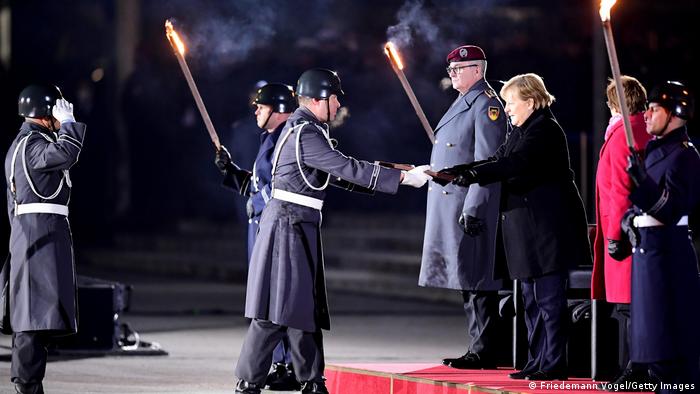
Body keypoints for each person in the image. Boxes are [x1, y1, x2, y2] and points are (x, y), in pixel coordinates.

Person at [233, 68, 431, 394]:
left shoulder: (305, 130)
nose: (338, 105)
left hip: (297, 225)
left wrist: (399, 170)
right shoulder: (305, 133)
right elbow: (345, 167)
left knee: (300, 309)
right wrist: (401, 180)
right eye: (334, 98)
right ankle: (249, 381)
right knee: (274, 311)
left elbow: (338, 171)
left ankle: (312, 381)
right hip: (288, 227)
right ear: (316, 99)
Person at [440, 73, 591, 381]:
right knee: (531, 301)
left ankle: (554, 362)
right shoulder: (521, 131)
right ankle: (537, 360)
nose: (506, 109)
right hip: (525, 232)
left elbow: (514, 165)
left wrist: (470, 176)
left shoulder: (545, 131)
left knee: (549, 300)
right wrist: (459, 170)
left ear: (531, 102)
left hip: (546, 232)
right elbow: (496, 158)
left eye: (511, 103)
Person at [419, 45, 507, 369]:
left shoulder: (486, 106)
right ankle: (478, 345)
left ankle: (484, 350)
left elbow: (488, 161)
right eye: (451, 69)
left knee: (477, 279)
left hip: (470, 206)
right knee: (467, 279)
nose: (452, 74)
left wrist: (474, 206)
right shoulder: (463, 103)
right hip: (450, 202)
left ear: (477, 70)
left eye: (459, 68)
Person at [214, 83, 300, 390]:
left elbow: (284, 184)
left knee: (277, 298)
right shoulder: (270, 138)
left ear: (277, 110)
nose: (255, 110)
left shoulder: (289, 138)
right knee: (265, 297)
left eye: (261, 106)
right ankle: (280, 363)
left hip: (277, 226)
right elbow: (260, 182)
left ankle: (289, 365)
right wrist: (232, 171)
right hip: (261, 225)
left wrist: (260, 200)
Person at [3, 84, 86, 394]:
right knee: (30, 316)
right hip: (39, 236)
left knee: (36, 313)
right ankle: (26, 385)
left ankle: (28, 382)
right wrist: (69, 126)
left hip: (34, 234)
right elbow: (66, 154)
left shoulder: (22, 143)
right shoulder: (32, 144)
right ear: (46, 112)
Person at [624, 81, 700, 393]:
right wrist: (628, 220)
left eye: (655, 109)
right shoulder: (656, 152)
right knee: (655, 351)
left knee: (671, 349)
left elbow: (672, 210)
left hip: (667, 258)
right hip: (648, 254)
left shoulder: (685, 156)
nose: (646, 115)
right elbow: (639, 205)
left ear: (675, 115)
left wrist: (642, 186)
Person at [589, 76, 652, 387]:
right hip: (639, 230)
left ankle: (636, 369)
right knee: (637, 306)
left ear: (617, 104)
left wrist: (614, 235)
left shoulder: (621, 136)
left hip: (623, 233)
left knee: (629, 308)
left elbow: (620, 191)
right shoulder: (643, 130)